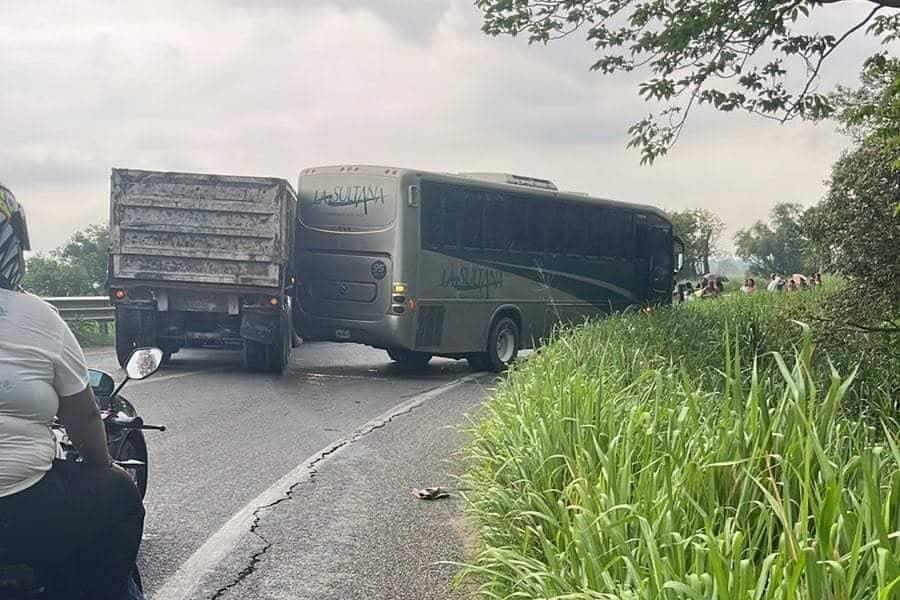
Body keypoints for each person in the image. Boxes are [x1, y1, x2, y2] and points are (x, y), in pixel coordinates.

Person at [0, 182, 145, 600]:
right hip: (22, 506)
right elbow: (82, 417)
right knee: (120, 493)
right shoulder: (38, 317)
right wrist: (102, 464)